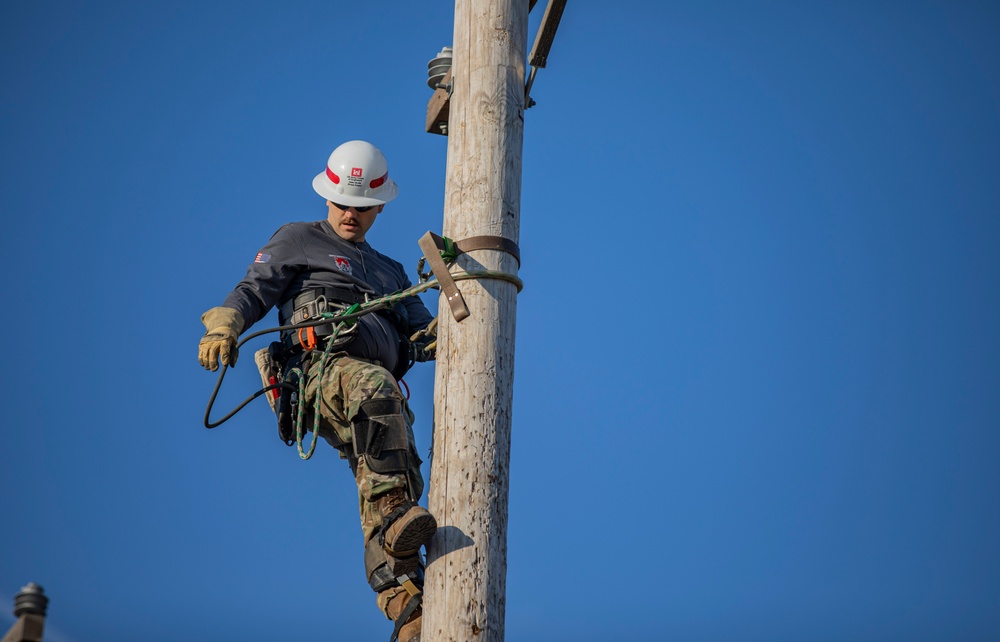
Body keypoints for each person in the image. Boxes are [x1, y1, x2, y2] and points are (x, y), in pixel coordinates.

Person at [198, 140, 436, 642]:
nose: (351, 214)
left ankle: (401, 595)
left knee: (394, 462)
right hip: (319, 375)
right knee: (375, 392)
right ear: (328, 198)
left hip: (374, 398)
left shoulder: (389, 270)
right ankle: (394, 518)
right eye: (343, 204)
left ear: (378, 208)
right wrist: (224, 326)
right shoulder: (300, 238)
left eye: (363, 207)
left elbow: (425, 335)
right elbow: (254, 287)